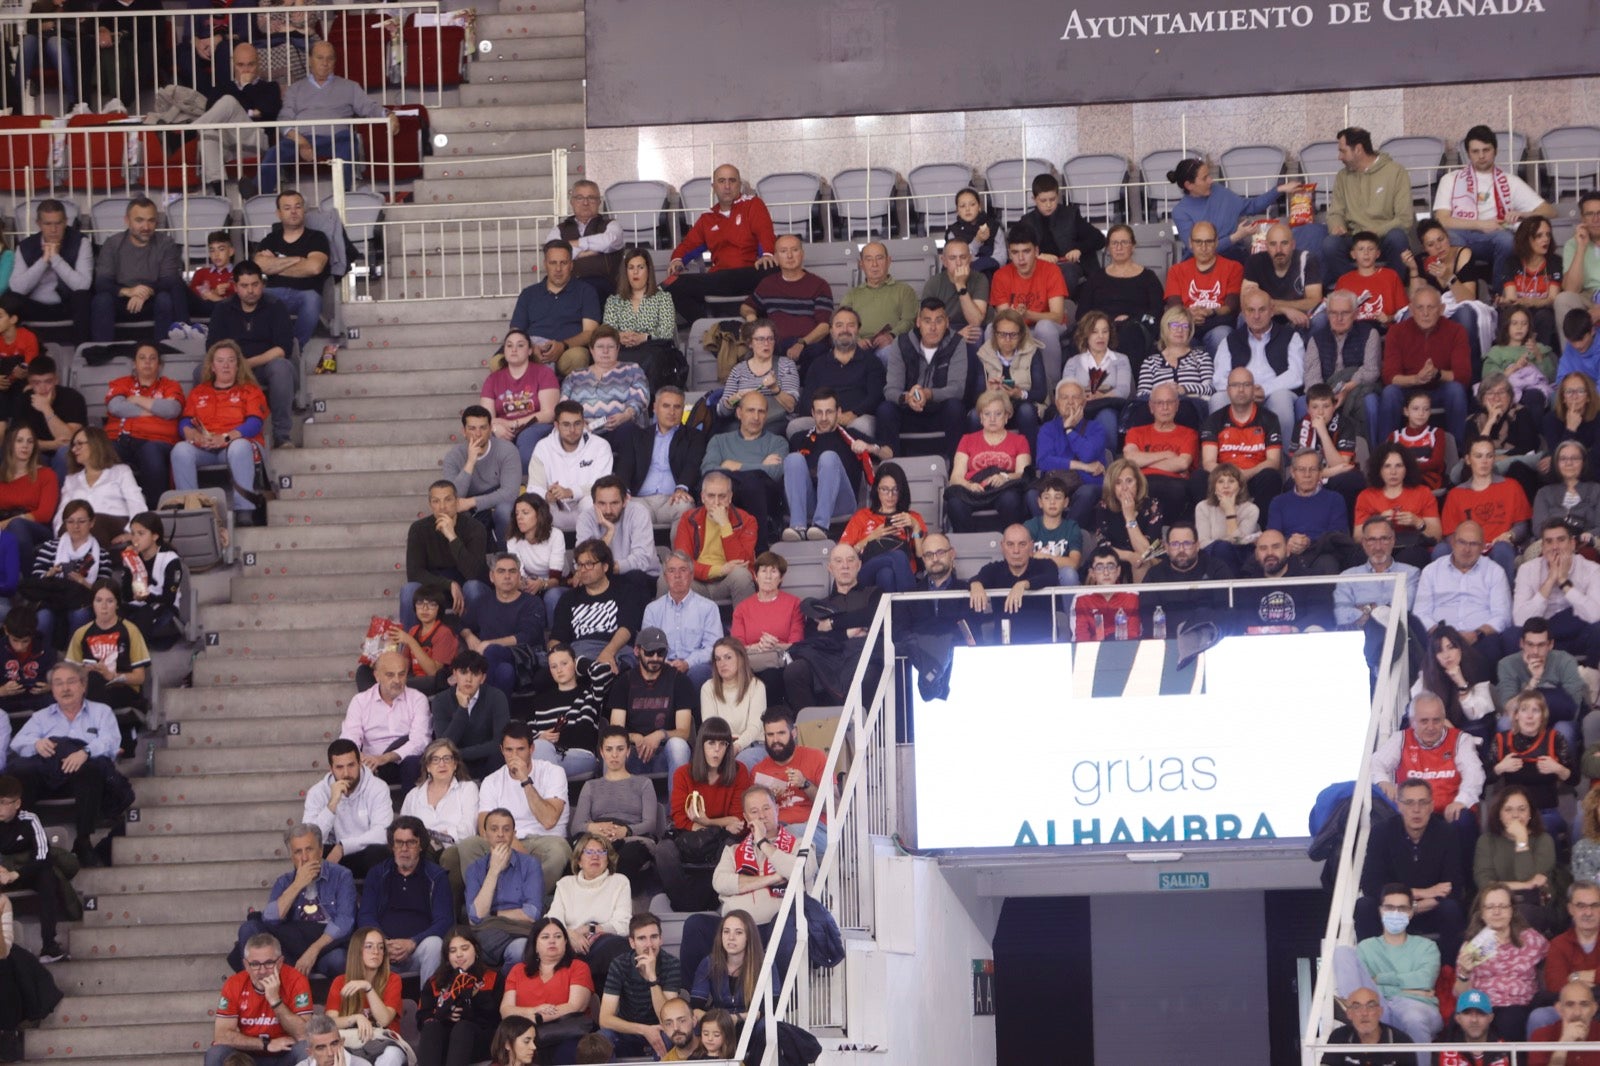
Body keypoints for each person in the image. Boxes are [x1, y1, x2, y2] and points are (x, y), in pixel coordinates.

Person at [7, 662, 124, 868]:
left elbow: (111, 742)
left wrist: (85, 752)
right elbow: (17, 743)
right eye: (58, 683)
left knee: (91, 769)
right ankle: (21, 838)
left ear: (83, 685)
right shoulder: (41, 716)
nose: (65, 688)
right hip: (47, 778)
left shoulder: (101, 712)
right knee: (20, 770)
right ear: (52, 690)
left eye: (71, 682)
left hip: (82, 778)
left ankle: (83, 841)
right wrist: (36, 743)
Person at [259, 40, 392, 196]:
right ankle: (259, 195)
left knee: (348, 143)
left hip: (336, 138)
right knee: (274, 152)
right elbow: (284, 119)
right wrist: (302, 143)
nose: (325, 63)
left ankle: (344, 195)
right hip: (302, 138)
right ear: (309, 60)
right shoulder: (295, 89)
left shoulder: (350, 86)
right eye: (319, 58)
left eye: (330, 58)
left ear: (335, 62)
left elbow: (369, 107)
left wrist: (388, 114)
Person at [1357, 778, 1467, 963]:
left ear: (1432, 806)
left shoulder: (1446, 833)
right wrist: (1420, 895)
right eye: (1409, 803)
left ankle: (1449, 972)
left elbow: (1453, 886)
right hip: (1392, 911)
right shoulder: (1381, 832)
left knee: (1452, 909)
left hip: (1431, 909)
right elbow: (1371, 884)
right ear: (1399, 805)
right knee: (1364, 906)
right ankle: (1370, 968)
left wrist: (1416, 906)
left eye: (1422, 802)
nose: (1416, 810)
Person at [229, 822, 356, 979]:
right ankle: (253, 991)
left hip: (325, 946)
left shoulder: (341, 876)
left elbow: (344, 922)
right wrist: (297, 884)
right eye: (297, 852)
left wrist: (313, 950)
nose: (304, 858)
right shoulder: (285, 881)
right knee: (249, 928)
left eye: (309, 849)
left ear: (321, 850)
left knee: (340, 960)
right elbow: (269, 919)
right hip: (291, 949)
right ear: (291, 857)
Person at [461, 724, 573, 897]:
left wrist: (525, 780)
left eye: (520, 749)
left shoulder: (553, 772)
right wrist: (519, 852)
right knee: (468, 845)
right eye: (509, 750)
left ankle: (526, 901)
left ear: (532, 749)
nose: (514, 756)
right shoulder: (492, 781)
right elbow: (485, 828)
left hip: (544, 840)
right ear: (501, 750)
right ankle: (483, 905)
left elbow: (549, 820)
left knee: (559, 851)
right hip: (504, 839)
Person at [657, 716, 754, 913]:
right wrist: (716, 824)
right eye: (711, 743)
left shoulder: (739, 771)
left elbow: (738, 819)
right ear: (701, 744)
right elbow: (679, 817)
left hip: (722, 840)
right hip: (689, 836)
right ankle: (685, 906)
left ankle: (711, 903)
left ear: (728, 747)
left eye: (722, 744)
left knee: (732, 846)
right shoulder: (683, 773)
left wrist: (706, 821)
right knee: (663, 850)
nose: (716, 750)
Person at [171, 340, 270, 523]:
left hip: (235, 446)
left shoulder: (250, 390)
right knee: (180, 449)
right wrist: (192, 434)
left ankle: (245, 511)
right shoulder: (199, 392)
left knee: (239, 446)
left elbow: (255, 422)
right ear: (212, 366)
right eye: (221, 361)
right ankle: (191, 511)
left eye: (231, 360)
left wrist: (226, 437)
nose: (226, 365)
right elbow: (185, 420)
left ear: (238, 365)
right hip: (205, 447)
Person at [665, 164, 777, 326]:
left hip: (750, 274)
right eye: (721, 181)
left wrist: (766, 254)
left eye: (732, 181)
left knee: (775, 270)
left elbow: (764, 232)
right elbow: (688, 245)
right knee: (669, 285)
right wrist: (677, 259)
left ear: (739, 185)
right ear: (713, 187)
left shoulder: (753, 204)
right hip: (720, 278)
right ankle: (709, 328)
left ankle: (765, 326)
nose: (727, 186)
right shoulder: (707, 218)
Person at [1332, 883, 1442, 1047]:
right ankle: (1352, 1005)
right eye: (1389, 907)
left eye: (1402, 908)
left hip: (1415, 1007)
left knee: (1414, 1018)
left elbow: (1424, 980)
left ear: (1411, 912)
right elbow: (1367, 988)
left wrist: (1381, 979)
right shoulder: (1367, 947)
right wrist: (1409, 989)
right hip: (1377, 1006)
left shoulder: (1427, 946)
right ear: (1381, 910)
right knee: (1342, 952)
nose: (1395, 913)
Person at [1434, 125, 1553, 265]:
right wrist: (1480, 224)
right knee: (1449, 239)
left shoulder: (1510, 181)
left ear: (1495, 151)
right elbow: (1442, 220)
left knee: (1507, 240)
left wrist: (1522, 214)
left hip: (1494, 236)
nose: (1481, 156)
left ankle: (1500, 287)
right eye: (1475, 151)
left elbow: (1549, 211)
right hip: (1459, 234)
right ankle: (1463, 286)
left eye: (1486, 150)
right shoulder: (1450, 179)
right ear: (1468, 154)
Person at [783, 543, 883, 709]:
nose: (845, 566)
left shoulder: (874, 593)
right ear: (830, 567)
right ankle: (813, 726)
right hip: (827, 659)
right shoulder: (819, 605)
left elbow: (871, 616)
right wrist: (847, 633)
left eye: (850, 560)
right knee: (795, 671)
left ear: (859, 565)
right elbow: (813, 638)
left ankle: (862, 730)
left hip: (862, 655)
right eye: (838, 561)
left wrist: (832, 623)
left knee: (868, 673)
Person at [783, 388, 889, 542]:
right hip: (810, 503)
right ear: (812, 413)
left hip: (842, 503)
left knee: (828, 458)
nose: (824, 418)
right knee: (793, 459)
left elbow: (889, 453)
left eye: (829, 412)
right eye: (819, 412)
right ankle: (797, 527)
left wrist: (869, 447)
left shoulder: (851, 435)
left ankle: (820, 526)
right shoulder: (799, 438)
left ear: (839, 412)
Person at [1455, 881, 1550, 1042]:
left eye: (1503, 906)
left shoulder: (1531, 939)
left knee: (1509, 1019)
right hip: (1481, 1007)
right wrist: (1464, 973)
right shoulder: (1473, 946)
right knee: (1459, 1021)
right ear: (1482, 913)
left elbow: (1552, 964)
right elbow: (1460, 995)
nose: (1497, 912)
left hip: (1519, 1006)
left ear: (1512, 910)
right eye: (1490, 907)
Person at [1377, 286, 1472, 446]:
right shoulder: (1396, 331)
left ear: (1441, 309)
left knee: (1456, 391)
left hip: (1439, 389)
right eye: (1420, 308)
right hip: (1408, 390)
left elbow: (1463, 376)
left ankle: (1458, 454)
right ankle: (1384, 453)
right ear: (1411, 309)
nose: (1425, 313)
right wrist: (1416, 379)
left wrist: (1437, 374)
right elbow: (1390, 377)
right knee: (1390, 393)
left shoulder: (1456, 331)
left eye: (1431, 307)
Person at [64, 578, 148, 755]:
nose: (104, 606)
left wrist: (113, 676)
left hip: (123, 689)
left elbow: (140, 677)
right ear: (92, 603)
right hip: (90, 689)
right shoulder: (81, 633)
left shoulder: (130, 630)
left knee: (97, 683)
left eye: (109, 601)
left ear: (117, 604)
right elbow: (68, 675)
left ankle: (99, 742)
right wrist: (83, 673)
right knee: (89, 683)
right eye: (99, 600)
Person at [1170, 157, 1310, 262]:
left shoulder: (1218, 191)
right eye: (1205, 178)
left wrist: (1280, 189)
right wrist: (1237, 236)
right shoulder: (1180, 212)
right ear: (1189, 185)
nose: (1211, 180)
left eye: (1209, 176)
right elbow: (1197, 250)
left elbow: (1251, 206)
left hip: (1233, 257)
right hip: (1201, 264)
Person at [572, 725, 663, 887]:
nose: (614, 755)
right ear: (601, 752)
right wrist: (596, 828)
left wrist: (625, 831)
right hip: (599, 838)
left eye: (620, 749)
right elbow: (576, 826)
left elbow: (650, 823)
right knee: (584, 855)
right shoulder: (590, 786)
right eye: (609, 749)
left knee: (626, 858)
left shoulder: (644, 784)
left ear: (628, 752)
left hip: (632, 839)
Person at [1322, 126, 1415, 284]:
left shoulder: (1396, 171)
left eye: (1343, 151)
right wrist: (1336, 226)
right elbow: (1335, 212)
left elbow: (1404, 219)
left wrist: (1376, 231)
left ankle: (1391, 289)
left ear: (1358, 149)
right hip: (1354, 237)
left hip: (1383, 237)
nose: (1339, 157)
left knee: (1398, 238)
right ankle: (1356, 289)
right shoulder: (1342, 176)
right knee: (1330, 244)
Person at [88, 196, 188, 342]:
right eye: (139, 220)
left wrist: (144, 292)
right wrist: (128, 291)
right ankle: (102, 354)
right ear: (127, 221)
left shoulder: (165, 243)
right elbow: (102, 283)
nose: (146, 227)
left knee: (165, 298)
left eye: (151, 220)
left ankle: (166, 351)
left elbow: (170, 280)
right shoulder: (112, 244)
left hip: (152, 299)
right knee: (101, 300)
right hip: (121, 301)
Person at [205, 932, 313, 1066]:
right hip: (249, 1056)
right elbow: (221, 1035)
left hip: (285, 1053)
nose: (262, 971)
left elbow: (304, 1034)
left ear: (280, 963)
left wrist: (275, 1001)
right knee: (216, 1053)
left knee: (304, 1049)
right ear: (246, 965)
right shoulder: (234, 983)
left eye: (269, 963)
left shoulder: (296, 980)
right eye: (255, 964)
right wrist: (265, 1044)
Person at [1414, 521, 1515, 662]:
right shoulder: (1431, 571)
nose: (1467, 549)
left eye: (1473, 544)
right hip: (1439, 638)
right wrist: (1442, 635)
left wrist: (1476, 634)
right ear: (1453, 542)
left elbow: (1503, 616)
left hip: (1480, 639)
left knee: (1493, 646)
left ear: (1482, 547)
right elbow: (1420, 613)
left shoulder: (1495, 572)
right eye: (1462, 542)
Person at [606, 626, 694, 787]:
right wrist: (634, 737)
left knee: (678, 746)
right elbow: (615, 729)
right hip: (633, 750)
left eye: (660, 653)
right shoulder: (624, 682)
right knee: (613, 747)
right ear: (637, 651)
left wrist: (659, 735)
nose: (655, 658)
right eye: (649, 652)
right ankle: (615, 808)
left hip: (665, 750)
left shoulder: (679, 680)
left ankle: (677, 809)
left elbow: (684, 732)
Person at [878, 299, 967, 456]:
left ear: (947, 322)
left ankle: (955, 472)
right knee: (885, 409)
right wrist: (907, 397)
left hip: (939, 410)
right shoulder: (902, 343)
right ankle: (891, 472)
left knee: (956, 407)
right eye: (927, 321)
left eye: (939, 321)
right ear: (918, 322)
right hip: (909, 410)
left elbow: (957, 389)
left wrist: (928, 394)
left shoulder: (956, 343)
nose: (933, 328)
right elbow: (891, 390)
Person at [499, 918, 595, 1063]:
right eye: (545, 937)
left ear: (565, 942)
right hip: (527, 1036)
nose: (552, 941)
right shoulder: (518, 971)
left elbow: (575, 1006)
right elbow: (505, 1010)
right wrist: (534, 1011)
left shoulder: (578, 967)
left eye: (558, 937)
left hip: (566, 1034)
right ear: (535, 945)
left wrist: (538, 1018)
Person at [1211, 288, 1303, 438]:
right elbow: (1220, 378)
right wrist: (1245, 391)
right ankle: (1222, 458)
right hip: (1240, 394)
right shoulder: (1231, 340)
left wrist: (1265, 389)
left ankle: (1284, 460)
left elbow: (1296, 375)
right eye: (1251, 310)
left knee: (1282, 399)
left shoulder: (1290, 336)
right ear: (1244, 313)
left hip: (1275, 391)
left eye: (1262, 310)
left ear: (1272, 310)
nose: (1256, 316)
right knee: (1218, 399)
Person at [192, 42, 282, 193]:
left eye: (250, 64)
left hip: (255, 141)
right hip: (227, 144)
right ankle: (221, 195)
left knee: (228, 102)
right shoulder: (220, 88)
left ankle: (189, 131)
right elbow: (211, 115)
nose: (245, 69)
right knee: (207, 133)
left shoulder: (270, 88)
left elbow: (269, 112)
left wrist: (246, 86)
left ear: (258, 64)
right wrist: (253, 111)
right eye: (240, 65)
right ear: (233, 64)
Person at [460, 807, 544, 968]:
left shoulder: (530, 864)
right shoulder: (475, 869)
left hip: (521, 931)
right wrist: (493, 870)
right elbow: (476, 916)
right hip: (488, 931)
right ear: (484, 834)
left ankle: (501, 989)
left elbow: (532, 914)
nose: (500, 834)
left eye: (506, 829)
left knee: (520, 948)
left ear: (514, 834)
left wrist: (493, 914)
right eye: (494, 829)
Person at [102, 341, 183, 509]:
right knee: (104, 452)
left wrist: (137, 400)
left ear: (159, 365)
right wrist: (153, 409)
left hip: (156, 441)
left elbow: (171, 410)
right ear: (134, 364)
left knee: (150, 452)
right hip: (119, 438)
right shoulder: (121, 383)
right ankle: (113, 511)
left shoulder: (171, 385)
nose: (147, 362)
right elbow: (116, 407)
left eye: (152, 358)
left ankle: (156, 510)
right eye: (142, 358)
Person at [251, 189, 330, 362]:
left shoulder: (317, 238)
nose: (293, 211)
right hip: (273, 293)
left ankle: (292, 349)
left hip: (306, 293)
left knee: (312, 299)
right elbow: (259, 266)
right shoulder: (271, 239)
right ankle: (257, 347)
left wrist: (276, 265)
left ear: (304, 210)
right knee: (252, 294)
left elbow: (315, 268)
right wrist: (298, 260)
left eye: (297, 206)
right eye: (287, 208)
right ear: (278, 213)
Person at [1442, 438, 1531, 584]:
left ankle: (1504, 603)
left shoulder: (1511, 486)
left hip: (1501, 547)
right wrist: (1467, 549)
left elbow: (1522, 526)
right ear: (1468, 459)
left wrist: (1510, 535)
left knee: (1502, 548)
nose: (1484, 461)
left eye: (1489, 456)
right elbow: (1450, 534)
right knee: (1442, 550)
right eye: (1478, 456)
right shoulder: (1456, 494)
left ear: (1494, 459)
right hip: (1467, 549)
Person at [0, 773, 68, 964]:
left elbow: (42, 856)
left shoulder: (29, 820)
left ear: (17, 803)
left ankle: (49, 945)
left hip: (25, 871)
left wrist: (16, 874)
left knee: (48, 877)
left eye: (4, 802)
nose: (0, 808)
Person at [401, 481, 489, 629]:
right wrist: (449, 584)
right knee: (409, 590)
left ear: (457, 501)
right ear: (430, 505)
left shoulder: (475, 528)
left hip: (467, 586)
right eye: (436, 501)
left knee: (473, 588)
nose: (442, 507)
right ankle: (409, 645)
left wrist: (452, 537)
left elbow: (475, 573)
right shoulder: (419, 529)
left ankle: (474, 639)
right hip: (436, 588)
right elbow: (414, 573)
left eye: (448, 499)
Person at [701, 392, 787, 544]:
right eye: (750, 410)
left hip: (764, 497)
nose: (756, 417)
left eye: (761, 412)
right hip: (726, 495)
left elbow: (775, 472)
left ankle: (760, 548)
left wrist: (733, 465)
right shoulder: (719, 440)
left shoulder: (778, 442)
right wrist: (760, 467)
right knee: (723, 485)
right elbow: (708, 470)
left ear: (766, 415)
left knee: (752, 483)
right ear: (739, 413)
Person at [547, 834, 634, 983]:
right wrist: (569, 934)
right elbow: (552, 920)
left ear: (608, 860)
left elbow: (623, 925)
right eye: (589, 852)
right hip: (570, 945)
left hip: (603, 943)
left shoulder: (619, 882)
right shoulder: (565, 884)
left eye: (601, 852)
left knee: (614, 947)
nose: (595, 857)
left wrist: (589, 929)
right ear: (579, 860)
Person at [614, 385, 702, 531]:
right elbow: (625, 465)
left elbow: (692, 464)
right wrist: (625, 491)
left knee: (684, 506)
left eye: (677, 407)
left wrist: (682, 487)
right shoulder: (638, 436)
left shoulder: (693, 437)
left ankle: (680, 555)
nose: (671, 412)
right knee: (626, 508)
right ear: (655, 407)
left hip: (673, 499)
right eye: (666, 406)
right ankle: (640, 555)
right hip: (640, 500)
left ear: (683, 409)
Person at [1197, 366, 1284, 513]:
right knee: (1199, 477)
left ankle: (1264, 529)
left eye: (1246, 385)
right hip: (1223, 477)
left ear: (1254, 389)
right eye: (1235, 385)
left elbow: (1273, 461)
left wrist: (1246, 473)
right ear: (1228, 389)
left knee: (1271, 476)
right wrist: (1229, 477)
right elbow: (1208, 462)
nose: (1241, 390)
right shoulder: (1214, 419)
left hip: (1254, 476)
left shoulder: (1269, 419)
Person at [1490, 690, 1575, 840]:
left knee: (1545, 826)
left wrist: (1558, 768)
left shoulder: (1555, 738)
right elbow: (1484, 777)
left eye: (1535, 710)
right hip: (1512, 812)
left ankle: (1552, 863)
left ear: (1543, 716)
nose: (1529, 716)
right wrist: (1500, 768)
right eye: (1524, 710)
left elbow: (1575, 779)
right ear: (1516, 715)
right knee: (1500, 828)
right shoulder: (1502, 740)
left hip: (1546, 811)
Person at [301, 740, 393, 878]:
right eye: (339, 767)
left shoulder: (377, 788)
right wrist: (331, 805)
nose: (346, 773)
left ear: (359, 763)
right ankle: (312, 899)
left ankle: (372, 899)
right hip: (332, 854)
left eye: (351, 765)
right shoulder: (318, 792)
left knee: (379, 853)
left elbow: (382, 832)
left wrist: (343, 847)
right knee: (306, 854)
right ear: (330, 768)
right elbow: (309, 839)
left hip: (364, 852)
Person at [510, 241, 601, 380]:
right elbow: (515, 331)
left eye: (563, 263)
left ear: (571, 265)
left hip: (568, 351)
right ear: (545, 264)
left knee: (578, 357)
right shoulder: (529, 294)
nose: (558, 269)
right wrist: (531, 349)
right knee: (496, 362)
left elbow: (590, 332)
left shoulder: (586, 291)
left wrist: (563, 346)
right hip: (532, 350)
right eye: (553, 263)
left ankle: (568, 400)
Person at [548, 539, 642, 671]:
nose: (583, 570)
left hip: (614, 649)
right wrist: (559, 659)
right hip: (579, 652)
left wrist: (608, 653)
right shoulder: (569, 598)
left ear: (605, 567)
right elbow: (557, 637)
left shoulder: (625, 591)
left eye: (589, 564)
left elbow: (626, 629)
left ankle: (596, 672)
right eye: (580, 565)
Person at [991, 224, 1070, 382]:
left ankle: (1052, 388)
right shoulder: (1001, 275)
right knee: (990, 330)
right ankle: (998, 386)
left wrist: (1026, 314)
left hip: (1049, 326)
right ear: (1009, 254)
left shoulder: (1051, 271)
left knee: (1044, 327)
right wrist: (1015, 318)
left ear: (1036, 251)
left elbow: (1057, 316)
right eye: (1015, 252)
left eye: (1026, 252)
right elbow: (1004, 319)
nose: (1021, 259)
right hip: (1016, 329)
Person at [1474, 786, 1559, 934]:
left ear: (1530, 813)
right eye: (1508, 810)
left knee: (1523, 913)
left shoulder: (1544, 840)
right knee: (1489, 915)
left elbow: (1526, 877)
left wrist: (1521, 839)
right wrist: (1525, 885)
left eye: (1522, 809)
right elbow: (1485, 885)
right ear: (1499, 814)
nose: (1515, 815)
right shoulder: (1486, 841)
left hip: (1534, 905)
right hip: (1494, 905)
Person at [1514, 518, 1600, 663]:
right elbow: (1520, 620)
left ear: (1572, 544)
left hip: (1579, 634)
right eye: (1549, 541)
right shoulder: (1527, 570)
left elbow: (1596, 615)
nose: (1555, 547)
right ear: (1542, 547)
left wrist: (1563, 581)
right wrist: (1550, 581)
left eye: (1561, 540)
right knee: (1513, 634)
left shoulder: (1591, 569)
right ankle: (1532, 680)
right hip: (1543, 638)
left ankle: (1591, 676)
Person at [459, 552, 545, 697]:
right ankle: (500, 718)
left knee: (492, 652)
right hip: (495, 667)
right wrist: (468, 635)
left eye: (512, 571)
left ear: (519, 576)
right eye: (501, 571)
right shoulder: (482, 601)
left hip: (523, 662)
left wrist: (488, 644)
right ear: (492, 577)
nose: (507, 576)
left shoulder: (532, 603)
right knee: (505, 671)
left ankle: (479, 708)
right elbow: (461, 624)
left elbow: (527, 636)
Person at [945, 389, 1032, 532]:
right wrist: (969, 486)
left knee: (1011, 499)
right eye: (987, 414)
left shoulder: (1019, 441)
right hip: (973, 489)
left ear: (1006, 416)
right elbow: (955, 477)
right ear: (980, 417)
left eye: (998, 414)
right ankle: (969, 548)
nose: (992, 419)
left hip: (1003, 489)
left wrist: (1005, 477)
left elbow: (1023, 474)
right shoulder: (967, 440)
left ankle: (1011, 545)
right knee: (955, 503)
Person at [598, 913, 681, 1059]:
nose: (649, 944)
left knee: (671, 1035)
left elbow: (667, 1018)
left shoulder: (671, 964)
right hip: (628, 1032)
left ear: (661, 939)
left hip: (659, 1030)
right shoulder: (619, 964)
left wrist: (652, 979)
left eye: (654, 937)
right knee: (602, 1038)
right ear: (632, 942)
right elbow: (604, 1019)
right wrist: (644, 1030)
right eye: (642, 938)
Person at [1077, 223, 1166, 360]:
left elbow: (1157, 312)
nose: (1119, 247)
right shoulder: (1096, 278)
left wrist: (1132, 319)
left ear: (1133, 246)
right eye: (1114, 243)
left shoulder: (1148, 277)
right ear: (1108, 248)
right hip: (1102, 328)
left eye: (1124, 242)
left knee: (1129, 333)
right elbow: (1082, 313)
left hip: (1136, 328)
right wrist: (1103, 322)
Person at [794, 307, 885, 437]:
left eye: (851, 325)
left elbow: (876, 396)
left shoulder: (871, 362)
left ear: (858, 330)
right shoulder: (818, 364)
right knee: (795, 426)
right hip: (822, 419)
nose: (845, 330)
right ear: (831, 331)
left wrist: (854, 413)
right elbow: (807, 400)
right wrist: (825, 417)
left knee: (862, 426)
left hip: (857, 418)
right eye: (839, 325)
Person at [8, 200, 92, 340]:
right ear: (39, 224)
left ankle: (83, 353)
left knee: (83, 297)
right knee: (9, 300)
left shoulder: (81, 242)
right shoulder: (25, 246)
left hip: (66, 305)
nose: (53, 230)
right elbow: (17, 288)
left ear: (66, 222)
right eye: (48, 224)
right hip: (35, 306)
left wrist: (55, 258)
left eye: (58, 223)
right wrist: (43, 261)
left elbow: (83, 285)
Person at [1306, 289, 1383, 441]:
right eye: (1333, 313)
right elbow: (1311, 378)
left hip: (1357, 389)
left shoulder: (1369, 334)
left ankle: (1372, 451)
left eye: (1345, 313)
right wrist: (1326, 401)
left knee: (1371, 402)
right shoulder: (1316, 339)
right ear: (1327, 314)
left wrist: (1346, 388)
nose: (1338, 318)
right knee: (1303, 404)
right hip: (1326, 394)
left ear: (1355, 314)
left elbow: (1371, 371)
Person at [416, 928, 501, 1066]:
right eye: (453, 951)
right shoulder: (435, 982)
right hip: (445, 1041)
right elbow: (422, 1018)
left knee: (463, 1028)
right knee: (431, 1027)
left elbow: (497, 1018)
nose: (459, 955)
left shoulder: (493, 977)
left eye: (464, 948)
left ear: (476, 950)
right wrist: (443, 1015)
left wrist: (476, 997)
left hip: (480, 1041)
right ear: (447, 956)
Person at [522, 644, 607, 782]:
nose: (559, 670)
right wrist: (541, 737)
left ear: (574, 663)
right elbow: (527, 739)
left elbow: (602, 672)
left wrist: (580, 663)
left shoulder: (590, 694)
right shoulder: (537, 702)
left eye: (564, 663)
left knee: (540, 757)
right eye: (554, 666)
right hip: (543, 756)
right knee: (539, 752)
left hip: (581, 756)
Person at [441, 405, 523, 547]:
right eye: (472, 428)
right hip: (469, 510)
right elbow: (452, 499)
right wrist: (470, 462)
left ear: (490, 429)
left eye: (483, 428)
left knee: (505, 511)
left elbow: (510, 493)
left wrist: (473, 501)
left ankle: (505, 556)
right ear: (464, 431)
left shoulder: (507, 450)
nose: (478, 434)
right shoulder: (453, 457)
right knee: (455, 517)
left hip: (497, 502)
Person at [1266, 448, 1357, 576]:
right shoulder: (1278, 502)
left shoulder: (1335, 499)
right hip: (1289, 554)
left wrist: (1309, 543)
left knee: (1329, 563)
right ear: (1292, 472)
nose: (1307, 475)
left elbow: (1339, 537)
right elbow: (1272, 536)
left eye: (1312, 469)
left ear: (1320, 473)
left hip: (1322, 555)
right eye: (1301, 469)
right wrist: (1288, 542)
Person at [839, 461, 926, 594]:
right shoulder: (862, 516)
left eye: (895, 489)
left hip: (901, 578)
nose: (890, 495)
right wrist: (871, 537)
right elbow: (842, 555)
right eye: (884, 489)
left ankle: (894, 613)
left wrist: (915, 527)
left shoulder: (913, 518)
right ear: (876, 490)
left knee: (886, 574)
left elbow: (923, 561)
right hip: (866, 576)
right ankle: (911, 606)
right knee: (898, 556)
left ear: (902, 490)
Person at [528, 401, 614, 536]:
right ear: (556, 425)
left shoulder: (600, 446)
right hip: (554, 507)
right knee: (534, 507)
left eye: (577, 424)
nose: (572, 430)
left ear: (584, 423)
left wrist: (570, 492)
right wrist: (548, 495)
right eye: (566, 425)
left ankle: (594, 553)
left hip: (586, 504)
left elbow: (602, 487)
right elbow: (534, 487)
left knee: (593, 503)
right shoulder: (542, 447)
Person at [672, 471, 757, 605]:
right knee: (670, 578)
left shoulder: (747, 521)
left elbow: (742, 563)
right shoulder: (688, 519)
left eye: (722, 496)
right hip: (696, 581)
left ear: (730, 497)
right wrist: (720, 570)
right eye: (711, 496)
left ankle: (745, 626)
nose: (716, 502)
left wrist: (725, 525)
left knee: (742, 575)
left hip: (727, 581)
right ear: (703, 497)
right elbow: (683, 563)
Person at [642, 550, 723, 690]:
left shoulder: (708, 608)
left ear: (691, 576)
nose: (677, 576)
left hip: (696, 666)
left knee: (699, 674)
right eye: (672, 571)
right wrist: (665, 663)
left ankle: (693, 713)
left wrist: (688, 663)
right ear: (665, 577)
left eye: (683, 570)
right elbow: (648, 646)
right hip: (662, 664)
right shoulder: (652, 609)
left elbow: (713, 647)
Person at [481, 330, 561, 471]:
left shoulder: (543, 373)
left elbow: (549, 413)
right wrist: (495, 427)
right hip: (504, 429)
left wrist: (514, 423)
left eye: (520, 345)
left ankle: (527, 487)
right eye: (509, 345)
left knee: (527, 438)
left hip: (535, 426)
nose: (514, 350)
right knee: (490, 441)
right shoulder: (493, 379)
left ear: (530, 350)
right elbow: (485, 418)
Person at [740, 235, 832, 359]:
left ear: (802, 254)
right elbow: (746, 306)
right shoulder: (768, 284)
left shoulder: (819, 285)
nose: (789, 256)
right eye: (783, 251)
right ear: (776, 257)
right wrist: (750, 316)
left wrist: (801, 343)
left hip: (809, 345)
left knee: (818, 353)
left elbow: (824, 327)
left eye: (794, 250)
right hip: (776, 345)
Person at [400, 738, 478, 883]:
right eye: (435, 759)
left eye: (447, 759)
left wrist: (438, 837)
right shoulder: (413, 795)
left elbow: (468, 830)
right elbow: (403, 829)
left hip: (454, 849)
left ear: (455, 764)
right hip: (421, 848)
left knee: (446, 856)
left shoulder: (467, 789)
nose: (441, 764)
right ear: (428, 766)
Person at [602, 247, 680, 391]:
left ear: (648, 270)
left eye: (640, 267)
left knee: (654, 359)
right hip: (623, 350)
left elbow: (667, 332)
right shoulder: (614, 301)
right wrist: (619, 336)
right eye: (631, 268)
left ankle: (645, 403)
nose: (635, 272)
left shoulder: (663, 298)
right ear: (626, 272)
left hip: (653, 351)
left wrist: (644, 337)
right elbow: (607, 332)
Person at [1352, 441, 1438, 571]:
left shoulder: (1423, 492)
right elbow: (1358, 537)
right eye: (1387, 466)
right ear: (1378, 469)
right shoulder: (1366, 496)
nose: (1393, 472)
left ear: (1407, 468)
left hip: (1413, 547)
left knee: (1412, 557)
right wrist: (1378, 522)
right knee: (1358, 556)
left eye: (1399, 466)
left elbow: (1436, 536)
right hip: (1378, 547)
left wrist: (1417, 522)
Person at [54, 427, 144, 550]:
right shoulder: (71, 479)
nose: (74, 449)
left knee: (93, 523)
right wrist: (60, 531)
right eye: (73, 445)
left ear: (95, 444)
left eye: (79, 444)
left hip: (115, 524)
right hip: (80, 525)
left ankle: (89, 565)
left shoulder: (121, 471)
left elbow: (136, 503)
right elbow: (62, 513)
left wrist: (132, 533)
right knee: (76, 525)